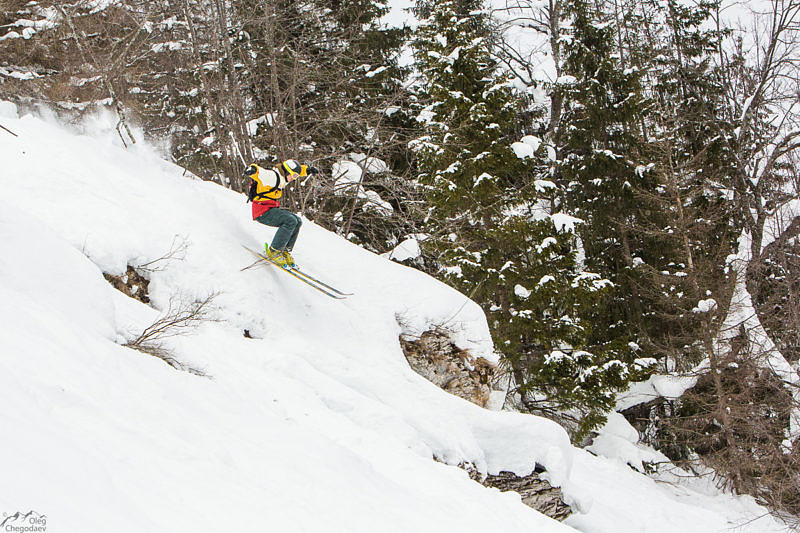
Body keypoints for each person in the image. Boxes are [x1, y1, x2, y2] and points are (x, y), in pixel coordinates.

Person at [244, 159, 318, 267]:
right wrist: (253, 169)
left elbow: (299, 170)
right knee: (290, 221)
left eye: (296, 177)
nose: (294, 178)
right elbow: (260, 173)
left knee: (297, 221)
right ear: (287, 172)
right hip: (262, 211)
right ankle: (274, 251)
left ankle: (284, 250)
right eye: (293, 176)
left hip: (270, 209)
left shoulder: (284, 177)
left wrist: (308, 170)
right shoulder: (272, 177)